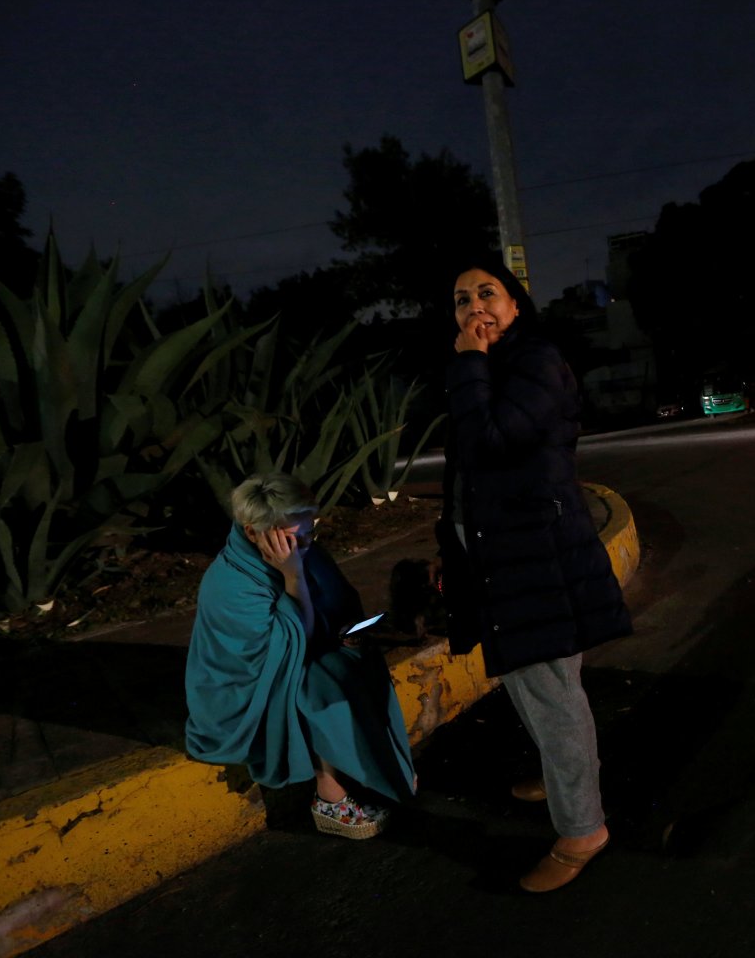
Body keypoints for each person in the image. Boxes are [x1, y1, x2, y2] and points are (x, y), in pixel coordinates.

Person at [437, 255, 633, 892]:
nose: (475, 308)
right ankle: (559, 776)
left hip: (534, 553)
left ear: (517, 305)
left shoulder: (534, 362)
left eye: (488, 294)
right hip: (502, 551)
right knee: (534, 680)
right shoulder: (494, 366)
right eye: (462, 300)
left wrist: (468, 363)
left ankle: (583, 829)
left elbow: (492, 443)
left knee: (548, 691)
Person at [185, 473, 416, 839]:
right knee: (321, 679)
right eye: (296, 537)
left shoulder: (302, 550)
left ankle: (375, 765)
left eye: (311, 532)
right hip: (242, 691)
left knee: (348, 662)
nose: (307, 543)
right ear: (252, 533)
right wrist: (293, 578)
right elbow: (280, 651)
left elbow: (336, 607)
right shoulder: (230, 584)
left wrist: (347, 630)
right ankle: (329, 795)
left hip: (296, 660)